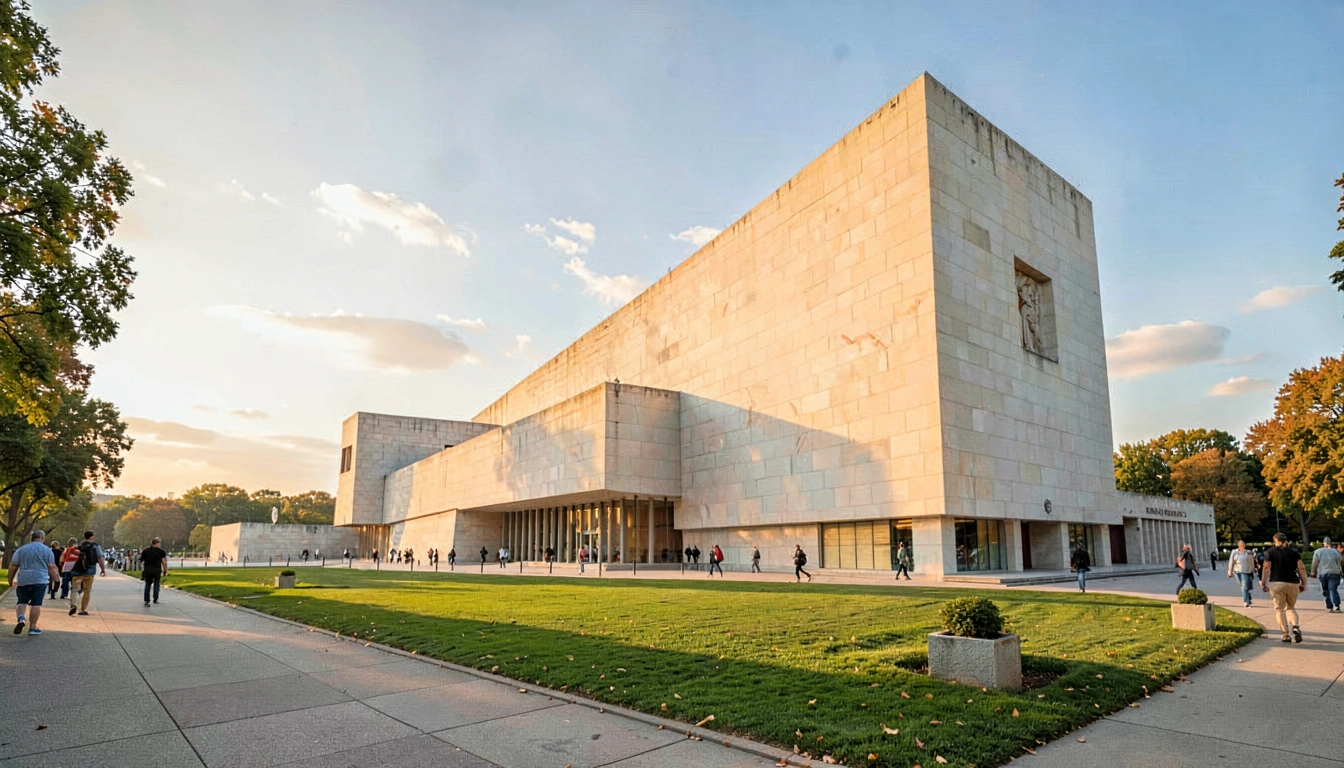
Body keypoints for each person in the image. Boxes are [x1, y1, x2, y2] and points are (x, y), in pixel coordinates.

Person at [8, 530, 59, 636]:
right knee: (36, 604)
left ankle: (21, 618)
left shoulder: (21, 550)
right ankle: (32, 627)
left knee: (21, 601)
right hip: (40, 580)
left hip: (24, 579)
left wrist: (10, 579)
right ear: (42, 537)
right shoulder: (47, 550)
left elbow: (14, 565)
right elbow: (51, 567)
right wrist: (56, 580)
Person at [1262, 532, 1307, 643]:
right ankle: (1295, 626)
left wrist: (1263, 582)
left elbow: (1266, 568)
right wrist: (1304, 583)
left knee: (1279, 609)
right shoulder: (1294, 552)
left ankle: (1285, 634)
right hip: (1292, 583)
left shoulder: (1270, 552)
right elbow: (1301, 568)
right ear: (1285, 541)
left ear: (1275, 541)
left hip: (1276, 583)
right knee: (1290, 607)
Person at [68, 530, 106, 617]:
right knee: (87, 591)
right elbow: (100, 558)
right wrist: (103, 569)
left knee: (74, 589)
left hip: (77, 571)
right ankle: (83, 609)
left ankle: (73, 605)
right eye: (94, 536)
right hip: (90, 571)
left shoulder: (78, 546)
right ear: (91, 537)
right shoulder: (95, 546)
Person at [1310, 536, 1342, 613]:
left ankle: (1329, 605)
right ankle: (1336, 605)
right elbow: (1339, 560)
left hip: (1323, 572)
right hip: (1335, 572)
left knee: (1325, 590)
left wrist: (1313, 572)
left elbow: (1315, 563)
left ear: (1323, 543)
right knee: (1333, 589)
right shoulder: (1336, 551)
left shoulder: (1318, 551)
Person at [138, 537, 169, 606]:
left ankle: (146, 600)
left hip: (148, 570)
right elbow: (164, 562)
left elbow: (141, 559)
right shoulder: (161, 551)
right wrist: (165, 571)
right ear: (158, 544)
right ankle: (155, 598)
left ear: (152, 544)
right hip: (157, 570)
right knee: (156, 584)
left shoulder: (146, 551)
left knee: (148, 584)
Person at [1226, 539, 1257, 607]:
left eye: (1243, 545)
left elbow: (1252, 561)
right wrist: (1229, 571)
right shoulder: (1235, 552)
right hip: (1239, 571)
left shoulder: (1248, 552)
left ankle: (1247, 597)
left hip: (1248, 571)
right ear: (1239, 546)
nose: (1242, 546)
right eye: (1241, 545)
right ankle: (1246, 601)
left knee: (1246, 586)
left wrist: (1254, 569)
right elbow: (1231, 562)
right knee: (1244, 585)